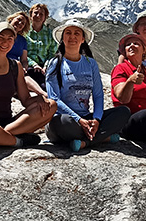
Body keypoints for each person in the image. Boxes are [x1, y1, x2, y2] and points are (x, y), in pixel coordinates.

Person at [0, 21, 57, 150]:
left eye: (10, 39)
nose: (5, 43)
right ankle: (17, 142)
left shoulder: (15, 66)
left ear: (13, 41)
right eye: (1, 38)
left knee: (51, 105)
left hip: (8, 123)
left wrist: (41, 99)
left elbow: (26, 99)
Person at [45, 20, 130, 152]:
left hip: (86, 117)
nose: (72, 37)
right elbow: (54, 99)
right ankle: (101, 137)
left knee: (123, 112)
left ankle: (85, 142)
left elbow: (98, 94)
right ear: (62, 38)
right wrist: (79, 120)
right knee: (62, 122)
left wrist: (96, 119)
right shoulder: (54, 64)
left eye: (77, 33)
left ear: (83, 39)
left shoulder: (91, 64)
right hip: (66, 119)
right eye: (68, 33)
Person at [25, 3, 56, 89]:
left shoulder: (50, 34)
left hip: (45, 68)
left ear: (45, 17)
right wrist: (34, 64)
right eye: (35, 13)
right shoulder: (24, 32)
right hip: (28, 66)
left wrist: (46, 65)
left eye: (41, 14)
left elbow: (52, 53)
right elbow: (21, 52)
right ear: (30, 15)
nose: (38, 16)